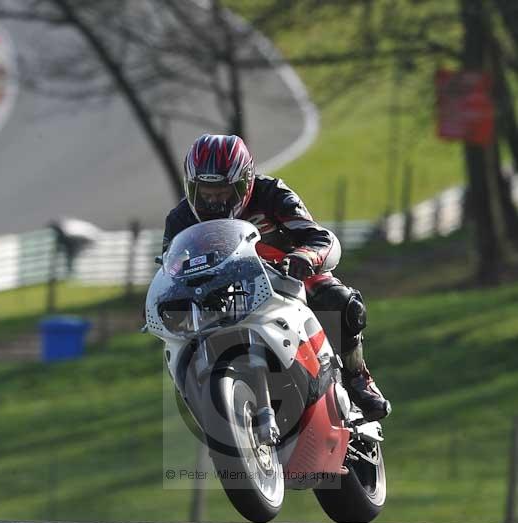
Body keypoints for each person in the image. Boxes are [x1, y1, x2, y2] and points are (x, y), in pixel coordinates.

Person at [161, 133, 391, 422]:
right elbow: (169, 270)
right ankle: (211, 409)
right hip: (218, 295)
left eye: (222, 192)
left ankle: (358, 378)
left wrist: (304, 257)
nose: (213, 201)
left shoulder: (272, 194)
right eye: (205, 192)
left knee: (341, 301)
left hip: (285, 277)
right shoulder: (180, 219)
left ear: (245, 183)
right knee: (180, 343)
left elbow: (319, 237)